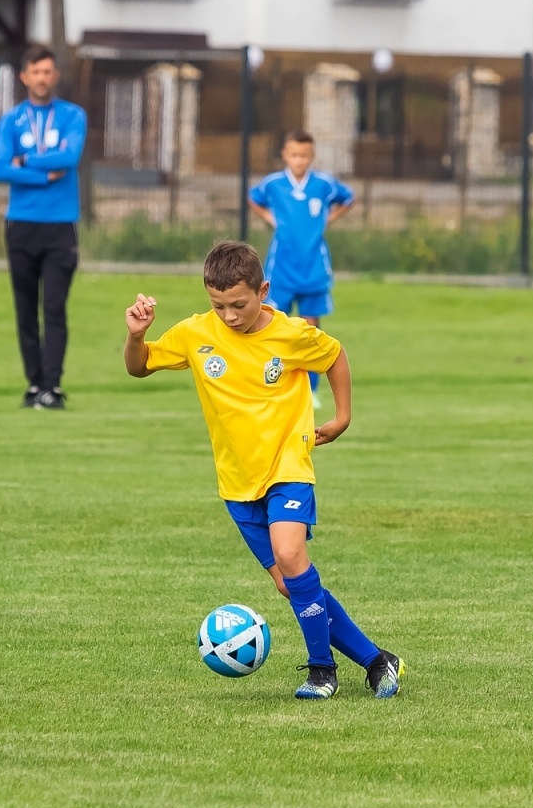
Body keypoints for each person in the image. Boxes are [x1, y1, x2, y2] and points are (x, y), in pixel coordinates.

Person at [123, 240, 403, 701]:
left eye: (239, 304)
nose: (230, 316)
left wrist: (342, 415)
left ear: (263, 290)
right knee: (289, 584)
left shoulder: (290, 334)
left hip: (288, 464)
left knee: (291, 557)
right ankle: (377, 661)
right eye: (219, 305)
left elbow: (334, 356)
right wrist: (136, 336)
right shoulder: (196, 333)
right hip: (236, 481)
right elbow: (140, 367)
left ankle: (321, 671)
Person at [0, 44, 87, 410]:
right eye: (36, 72)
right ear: (24, 76)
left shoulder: (72, 115)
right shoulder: (11, 120)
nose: (42, 78)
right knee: (25, 307)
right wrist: (45, 175)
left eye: (48, 72)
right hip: (21, 225)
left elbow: (71, 156)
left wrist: (26, 160)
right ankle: (33, 384)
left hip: (61, 225)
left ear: (55, 76)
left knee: (55, 306)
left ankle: (53, 385)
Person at [248, 131, 355, 409]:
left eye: (304, 155)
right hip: (281, 267)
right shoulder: (273, 184)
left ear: (312, 156)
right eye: (294, 155)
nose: (299, 160)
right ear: (285, 155)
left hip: (313, 266)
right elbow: (253, 198)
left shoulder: (323, 184)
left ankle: (311, 389)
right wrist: (270, 218)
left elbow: (348, 197)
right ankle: (268, 381)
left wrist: (327, 220)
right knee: (269, 323)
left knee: (311, 328)